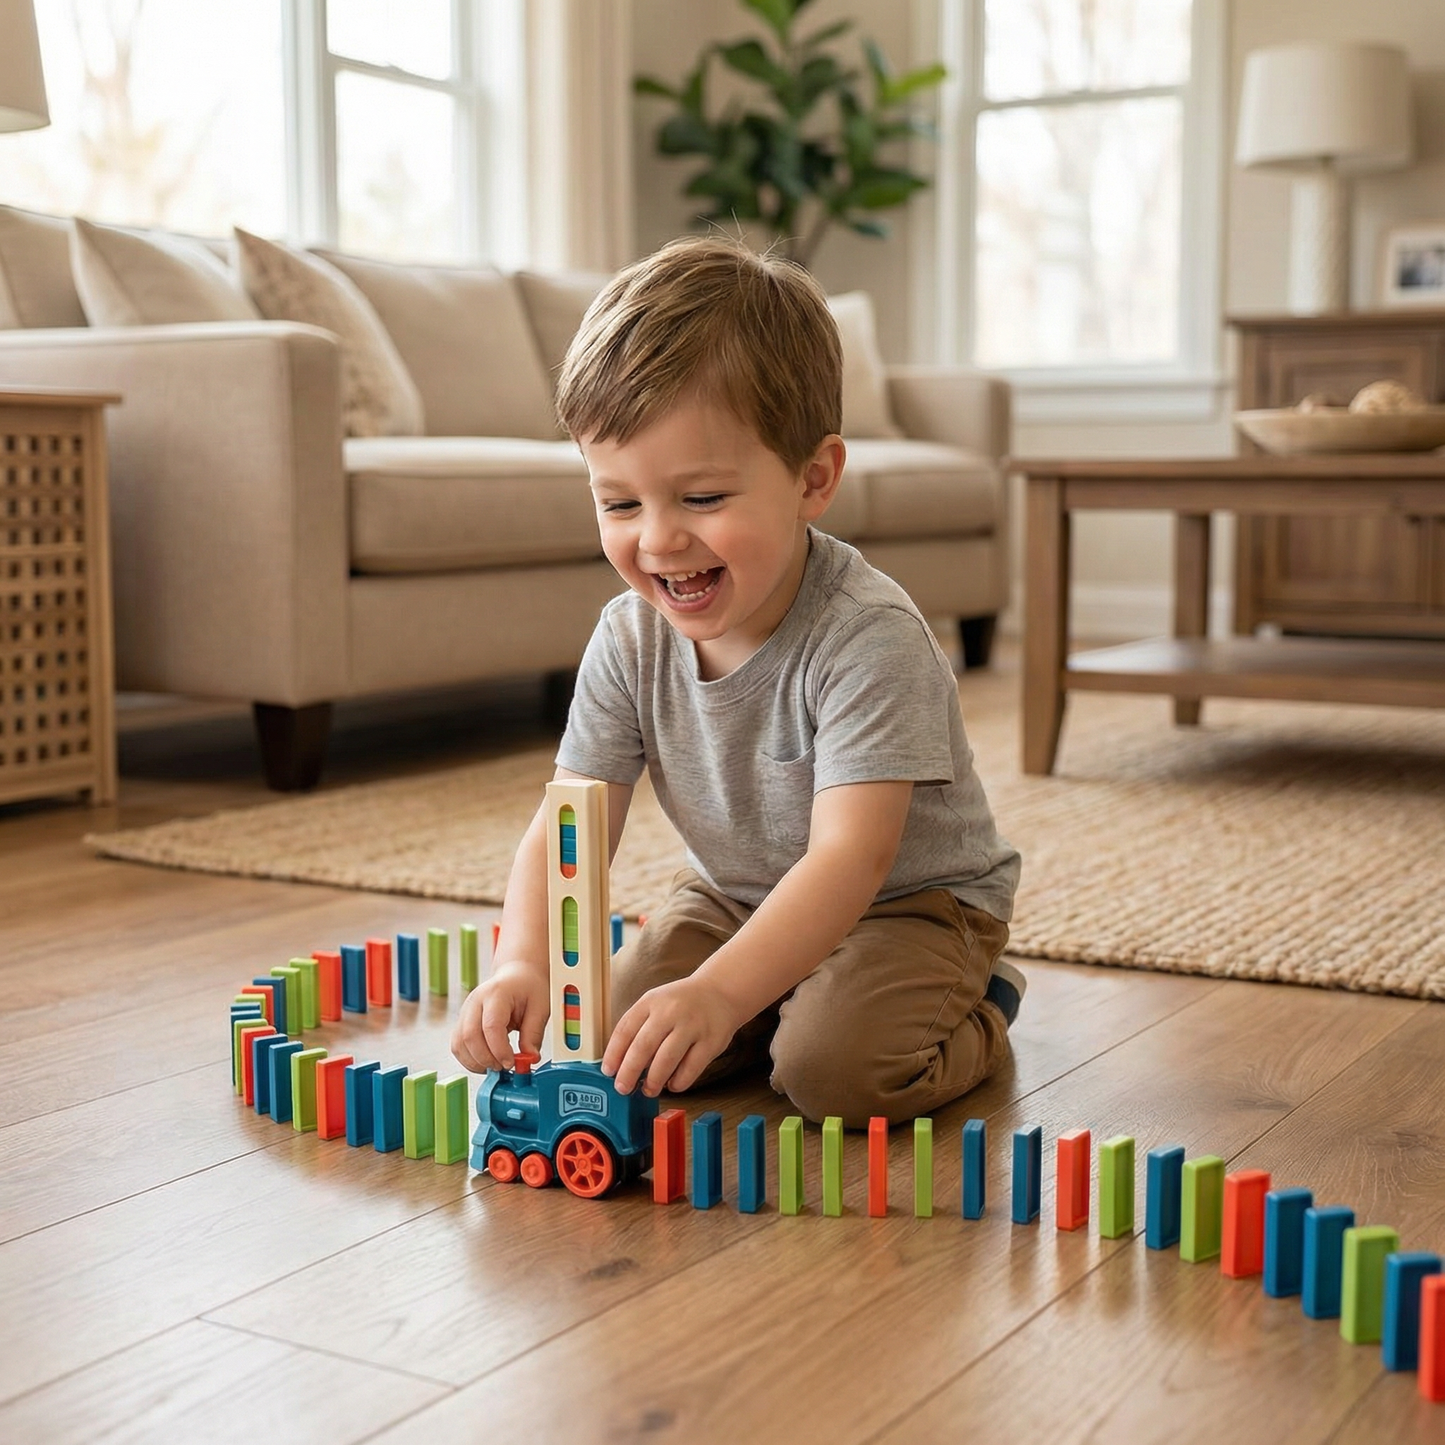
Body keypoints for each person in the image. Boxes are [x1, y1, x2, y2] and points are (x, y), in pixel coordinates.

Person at [451, 236, 1022, 1127]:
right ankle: (776, 996)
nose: (658, 540)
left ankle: (980, 1002)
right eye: (619, 503)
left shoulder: (867, 635)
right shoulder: (628, 637)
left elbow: (850, 859)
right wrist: (521, 958)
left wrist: (718, 994)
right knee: (619, 1038)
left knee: (830, 1072)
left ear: (812, 479)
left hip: (909, 906)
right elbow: (570, 822)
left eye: (702, 498)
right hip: (733, 894)